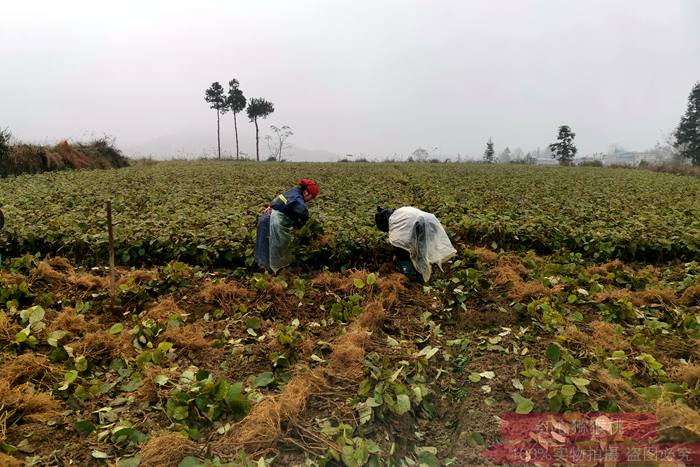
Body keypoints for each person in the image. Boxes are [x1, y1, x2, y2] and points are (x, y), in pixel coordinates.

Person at [375, 206, 456, 282]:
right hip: (431, 221)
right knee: (422, 250)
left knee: (405, 254)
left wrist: (401, 259)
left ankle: (408, 275)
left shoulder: (394, 222)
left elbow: (400, 245)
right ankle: (425, 272)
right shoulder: (400, 212)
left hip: (422, 224)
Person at [255, 179, 320, 273]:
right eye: (311, 197)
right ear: (306, 192)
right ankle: (267, 271)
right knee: (272, 245)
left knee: (264, 245)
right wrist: (305, 226)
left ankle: (265, 269)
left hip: (266, 218)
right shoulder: (297, 198)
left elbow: (277, 202)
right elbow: (303, 213)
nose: (310, 200)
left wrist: (271, 206)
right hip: (269, 221)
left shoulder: (294, 191)